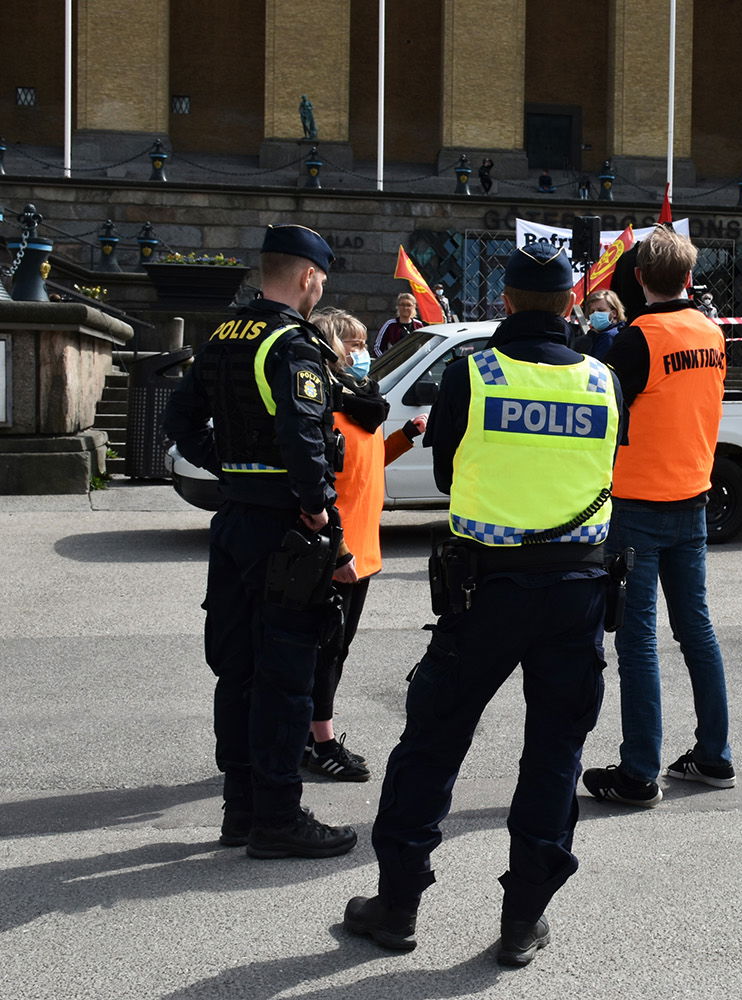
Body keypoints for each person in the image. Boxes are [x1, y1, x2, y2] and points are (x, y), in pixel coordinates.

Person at [343, 241, 624, 966]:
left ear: (506, 300)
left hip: (485, 589)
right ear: (572, 302)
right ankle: (524, 918)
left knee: (433, 743)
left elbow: (445, 469)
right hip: (577, 591)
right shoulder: (603, 379)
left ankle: (397, 905)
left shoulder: (475, 373)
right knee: (554, 754)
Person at [162, 223, 357, 859]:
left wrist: (229, 469)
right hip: (285, 531)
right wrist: (317, 509)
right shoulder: (292, 344)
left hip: (236, 521)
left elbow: (178, 419)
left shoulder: (223, 335)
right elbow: (304, 436)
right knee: (286, 670)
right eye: (321, 279)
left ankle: (240, 810)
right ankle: (278, 817)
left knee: (237, 668)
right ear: (308, 276)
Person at [584, 225, 734, 808]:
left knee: (639, 640)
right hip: (692, 496)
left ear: (640, 277)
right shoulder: (711, 332)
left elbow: (605, 416)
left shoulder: (637, 339)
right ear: (689, 277)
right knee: (696, 629)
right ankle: (714, 753)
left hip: (638, 502)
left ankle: (639, 771)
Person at [303, 309, 428, 782]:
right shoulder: (325, 411)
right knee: (325, 651)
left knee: (337, 650)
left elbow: (369, 467)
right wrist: (337, 552)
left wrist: (406, 437)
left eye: (362, 343)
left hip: (362, 554)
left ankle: (309, 736)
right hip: (334, 554)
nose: (363, 353)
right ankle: (320, 742)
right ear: (329, 350)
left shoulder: (362, 406)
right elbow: (316, 488)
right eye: (352, 345)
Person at [372, 293, 424, 357]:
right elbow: (377, 348)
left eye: (408, 305)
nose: (405, 308)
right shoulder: (390, 325)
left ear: (414, 307)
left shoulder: (419, 325)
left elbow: (425, 345)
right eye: (402, 305)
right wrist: (387, 360)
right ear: (398, 307)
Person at [581, 288, 626, 359]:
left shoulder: (608, 337)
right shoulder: (622, 330)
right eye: (592, 311)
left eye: (600, 310)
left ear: (614, 313)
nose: (595, 314)